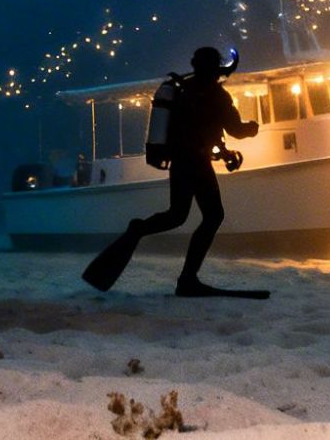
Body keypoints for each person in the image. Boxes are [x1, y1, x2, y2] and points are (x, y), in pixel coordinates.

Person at [80, 45, 265, 298]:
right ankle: (188, 279)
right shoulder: (216, 95)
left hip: (180, 162)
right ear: (215, 69)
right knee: (213, 216)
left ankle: (139, 230)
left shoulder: (182, 89)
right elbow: (236, 130)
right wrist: (253, 127)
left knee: (176, 215)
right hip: (197, 163)